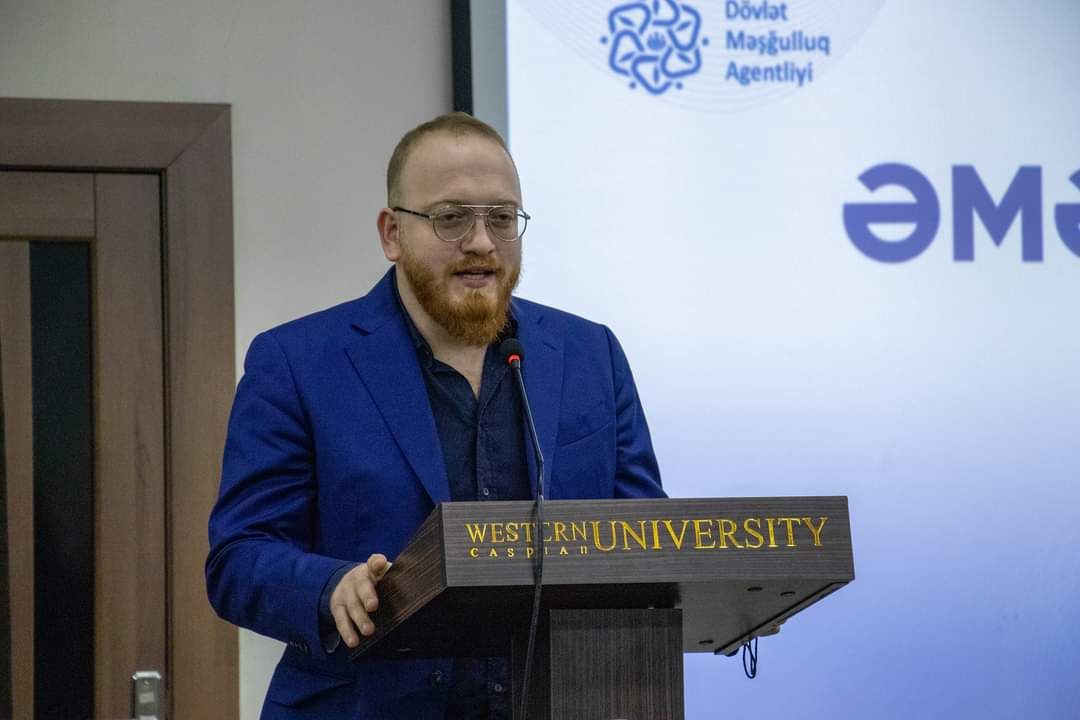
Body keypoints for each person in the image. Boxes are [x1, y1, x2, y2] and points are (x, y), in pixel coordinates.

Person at [206, 112, 664, 719]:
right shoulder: (297, 362)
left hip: (561, 701)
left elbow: (645, 534)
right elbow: (239, 557)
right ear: (392, 233)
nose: (482, 242)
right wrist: (328, 586)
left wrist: (733, 594)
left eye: (501, 218)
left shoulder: (589, 355)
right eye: (452, 218)